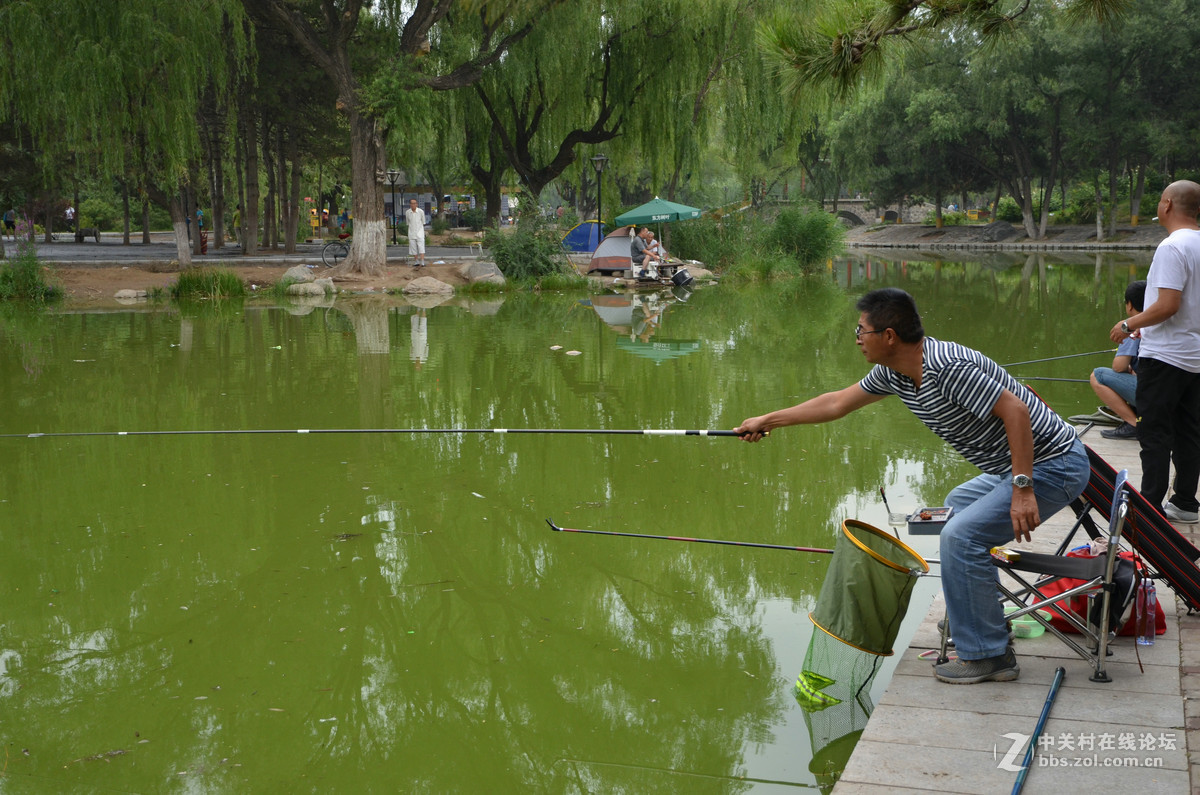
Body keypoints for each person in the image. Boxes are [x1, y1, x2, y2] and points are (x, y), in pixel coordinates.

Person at [736, 288, 1088, 684]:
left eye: (861, 330)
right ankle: (980, 621)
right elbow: (836, 403)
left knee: (960, 536)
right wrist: (768, 419)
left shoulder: (946, 367)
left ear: (888, 336)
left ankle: (990, 655)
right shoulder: (895, 372)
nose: (856, 338)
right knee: (957, 506)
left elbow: (1016, 411)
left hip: (1053, 464)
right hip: (1017, 467)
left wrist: (1023, 488)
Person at [1110, 180, 1200, 525]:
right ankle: (1186, 503)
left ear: (1166, 205)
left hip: (1164, 357)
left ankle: (1149, 508)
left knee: (1154, 433)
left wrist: (1129, 325)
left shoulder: (1172, 246)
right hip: (1194, 358)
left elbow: (1167, 305)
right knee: (1190, 431)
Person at [1093, 280, 1146, 440]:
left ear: (1129, 305)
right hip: (1176, 391)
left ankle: (1134, 424)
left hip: (1151, 392)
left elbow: (1118, 366)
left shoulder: (1131, 328)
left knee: (1097, 375)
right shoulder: (1162, 322)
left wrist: (1128, 369)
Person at [405, 198, 427, 267]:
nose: (413, 205)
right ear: (410, 204)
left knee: (421, 247)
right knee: (413, 248)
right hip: (411, 232)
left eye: (414, 203)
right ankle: (416, 261)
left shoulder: (421, 211)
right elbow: (408, 222)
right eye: (412, 203)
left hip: (419, 232)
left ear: (416, 204)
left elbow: (423, 222)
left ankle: (422, 262)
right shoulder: (407, 212)